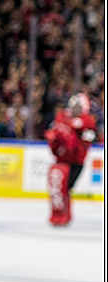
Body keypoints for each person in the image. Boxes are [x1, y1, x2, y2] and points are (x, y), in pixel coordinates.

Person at [44, 93, 98, 227]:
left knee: (67, 188)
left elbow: (88, 138)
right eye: (74, 105)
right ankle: (62, 215)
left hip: (77, 160)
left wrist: (73, 130)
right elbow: (53, 132)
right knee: (62, 187)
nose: (75, 109)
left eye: (78, 106)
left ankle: (64, 215)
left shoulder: (87, 121)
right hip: (62, 159)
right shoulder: (62, 117)